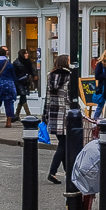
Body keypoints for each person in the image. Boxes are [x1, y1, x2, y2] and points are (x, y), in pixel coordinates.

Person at [43, 54, 71, 183]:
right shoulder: (69, 76)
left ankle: (68, 172)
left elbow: (47, 98)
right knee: (64, 144)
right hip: (65, 113)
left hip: (53, 113)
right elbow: (70, 98)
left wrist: (45, 115)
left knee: (64, 143)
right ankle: (52, 172)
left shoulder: (50, 76)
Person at [13, 49, 36, 122]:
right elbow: (14, 73)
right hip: (19, 82)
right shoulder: (16, 63)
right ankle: (28, 114)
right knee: (23, 96)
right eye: (25, 53)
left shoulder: (28, 62)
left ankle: (16, 115)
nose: (27, 55)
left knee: (22, 98)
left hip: (26, 82)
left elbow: (31, 70)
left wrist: (34, 75)